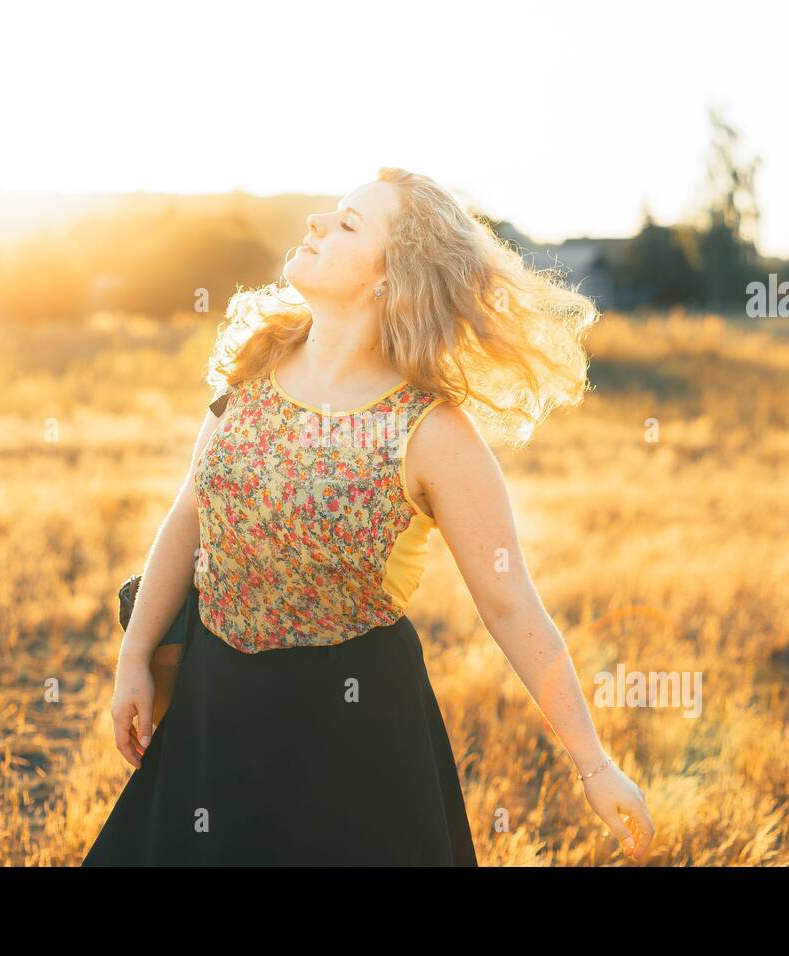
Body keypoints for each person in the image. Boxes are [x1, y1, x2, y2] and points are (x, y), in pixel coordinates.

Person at [82, 167, 654, 866]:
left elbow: (511, 607)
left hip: (351, 740)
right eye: (330, 213)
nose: (317, 222)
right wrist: (136, 657)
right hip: (214, 706)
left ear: (391, 278)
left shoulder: (434, 434)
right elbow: (189, 513)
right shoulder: (256, 364)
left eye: (349, 223)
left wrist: (594, 764)